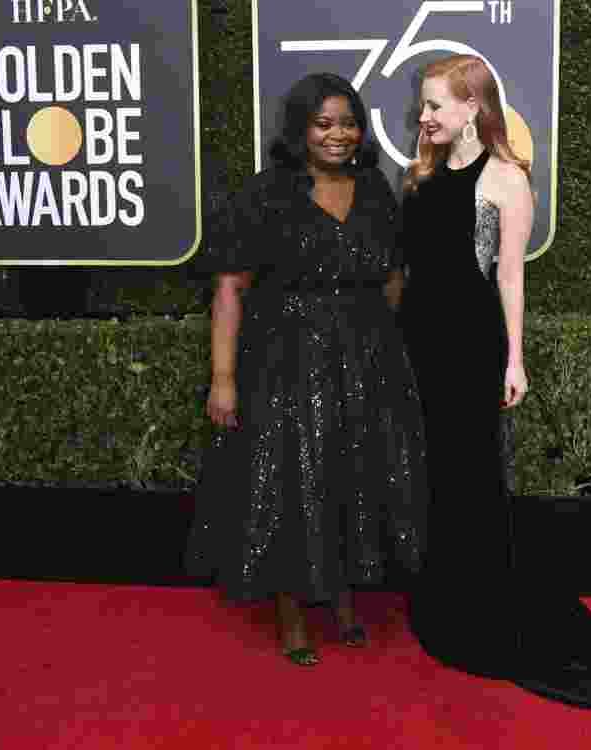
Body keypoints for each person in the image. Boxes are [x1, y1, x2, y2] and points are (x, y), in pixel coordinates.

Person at [398, 54, 591, 708]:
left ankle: (488, 615)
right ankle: (449, 610)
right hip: (419, 342)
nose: (426, 115)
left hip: (469, 346)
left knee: (473, 478)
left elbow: (509, 278)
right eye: (424, 104)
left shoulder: (507, 181)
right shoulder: (419, 173)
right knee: (438, 476)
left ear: (474, 107)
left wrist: (514, 359)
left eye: (437, 104)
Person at [185, 73, 428, 667]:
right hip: (284, 362)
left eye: (348, 122)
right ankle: (292, 610)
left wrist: (367, 337)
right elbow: (229, 290)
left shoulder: (374, 189)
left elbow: (393, 276)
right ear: (299, 129)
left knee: (352, 475)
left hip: (365, 361)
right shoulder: (266, 194)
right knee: (291, 483)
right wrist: (223, 378)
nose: (338, 135)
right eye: (324, 124)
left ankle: (341, 597)